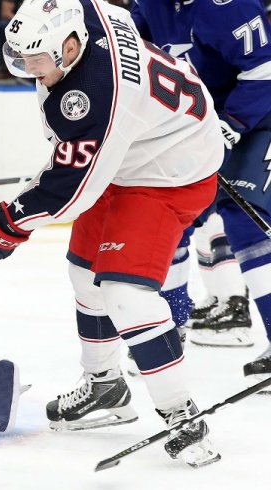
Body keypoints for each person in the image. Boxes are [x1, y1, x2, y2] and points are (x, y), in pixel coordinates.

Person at [0, 0, 224, 467]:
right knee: (84, 271)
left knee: (125, 294)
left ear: (69, 47)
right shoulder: (83, 12)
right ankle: (105, 387)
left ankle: (182, 415)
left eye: (35, 61)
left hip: (167, 174)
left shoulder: (93, 96)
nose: (28, 70)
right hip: (138, 147)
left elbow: (67, 192)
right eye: (19, 57)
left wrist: (1, 226)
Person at [130, 0, 271, 379]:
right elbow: (128, 48)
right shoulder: (150, 4)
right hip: (192, 124)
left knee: (244, 221)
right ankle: (172, 325)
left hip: (256, 119)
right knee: (171, 216)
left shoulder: (231, 5)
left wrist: (230, 125)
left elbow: (264, 71)